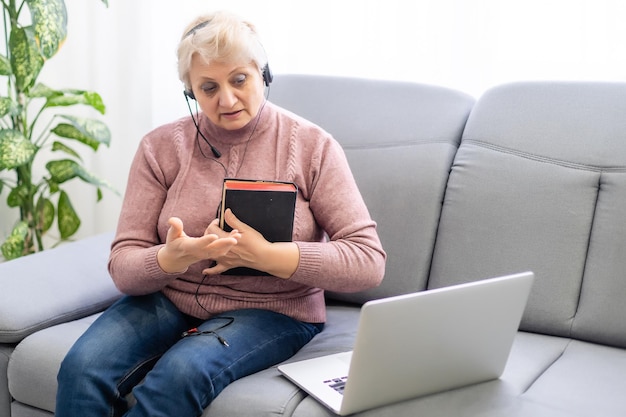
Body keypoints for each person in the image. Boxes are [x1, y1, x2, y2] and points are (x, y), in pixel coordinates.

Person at [55, 10, 385, 417]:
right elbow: (124, 265)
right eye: (208, 87)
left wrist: (266, 256)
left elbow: (368, 261)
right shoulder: (161, 148)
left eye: (239, 80)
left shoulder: (312, 146)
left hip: (274, 311)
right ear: (190, 92)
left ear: (263, 73)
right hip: (172, 297)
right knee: (81, 368)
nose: (226, 100)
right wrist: (170, 258)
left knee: (179, 375)